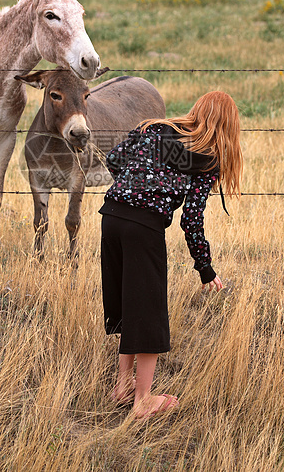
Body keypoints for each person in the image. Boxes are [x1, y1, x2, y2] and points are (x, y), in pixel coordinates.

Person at [99, 91, 243, 419]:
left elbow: (114, 159)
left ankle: (122, 387)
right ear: (230, 127)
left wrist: (134, 184)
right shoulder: (206, 156)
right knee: (148, 310)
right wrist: (205, 268)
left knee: (126, 301)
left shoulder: (154, 129)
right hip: (144, 226)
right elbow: (191, 219)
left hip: (111, 215)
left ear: (197, 111)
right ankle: (143, 400)